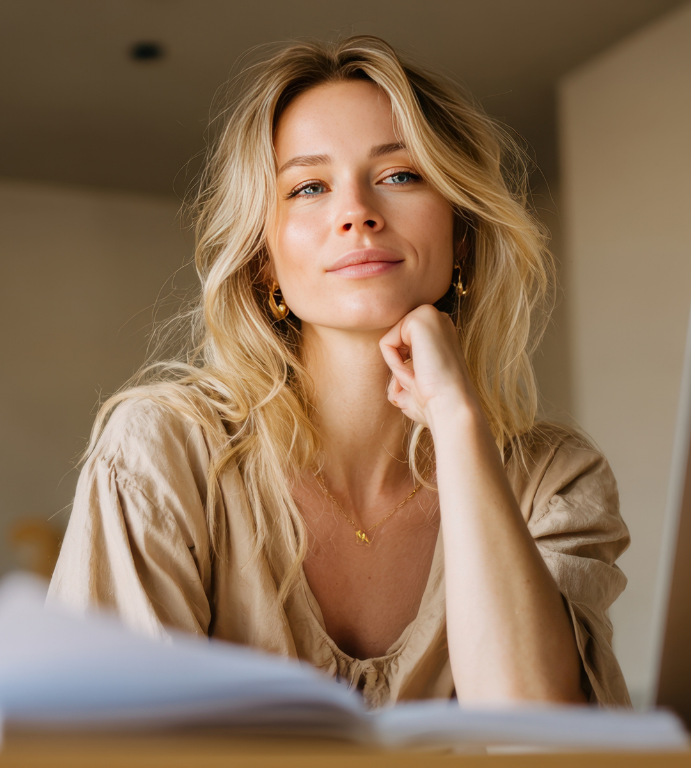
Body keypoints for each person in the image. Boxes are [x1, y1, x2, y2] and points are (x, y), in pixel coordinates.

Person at [49, 35, 630, 708]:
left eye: (400, 175)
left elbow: (537, 739)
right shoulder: (162, 454)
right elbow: (107, 742)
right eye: (310, 187)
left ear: (461, 233)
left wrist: (458, 422)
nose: (357, 212)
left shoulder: (554, 485)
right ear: (265, 261)